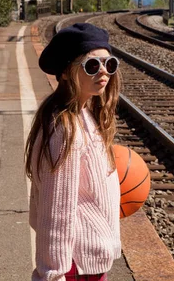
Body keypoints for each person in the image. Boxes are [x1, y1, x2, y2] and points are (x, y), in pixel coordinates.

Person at [25, 23, 122, 281]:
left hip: (89, 261)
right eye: (92, 65)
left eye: (109, 64)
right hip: (74, 268)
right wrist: (52, 274)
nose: (103, 72)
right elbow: (56, 211)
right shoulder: (65, 129)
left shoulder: (85, 114)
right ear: (67, 72)